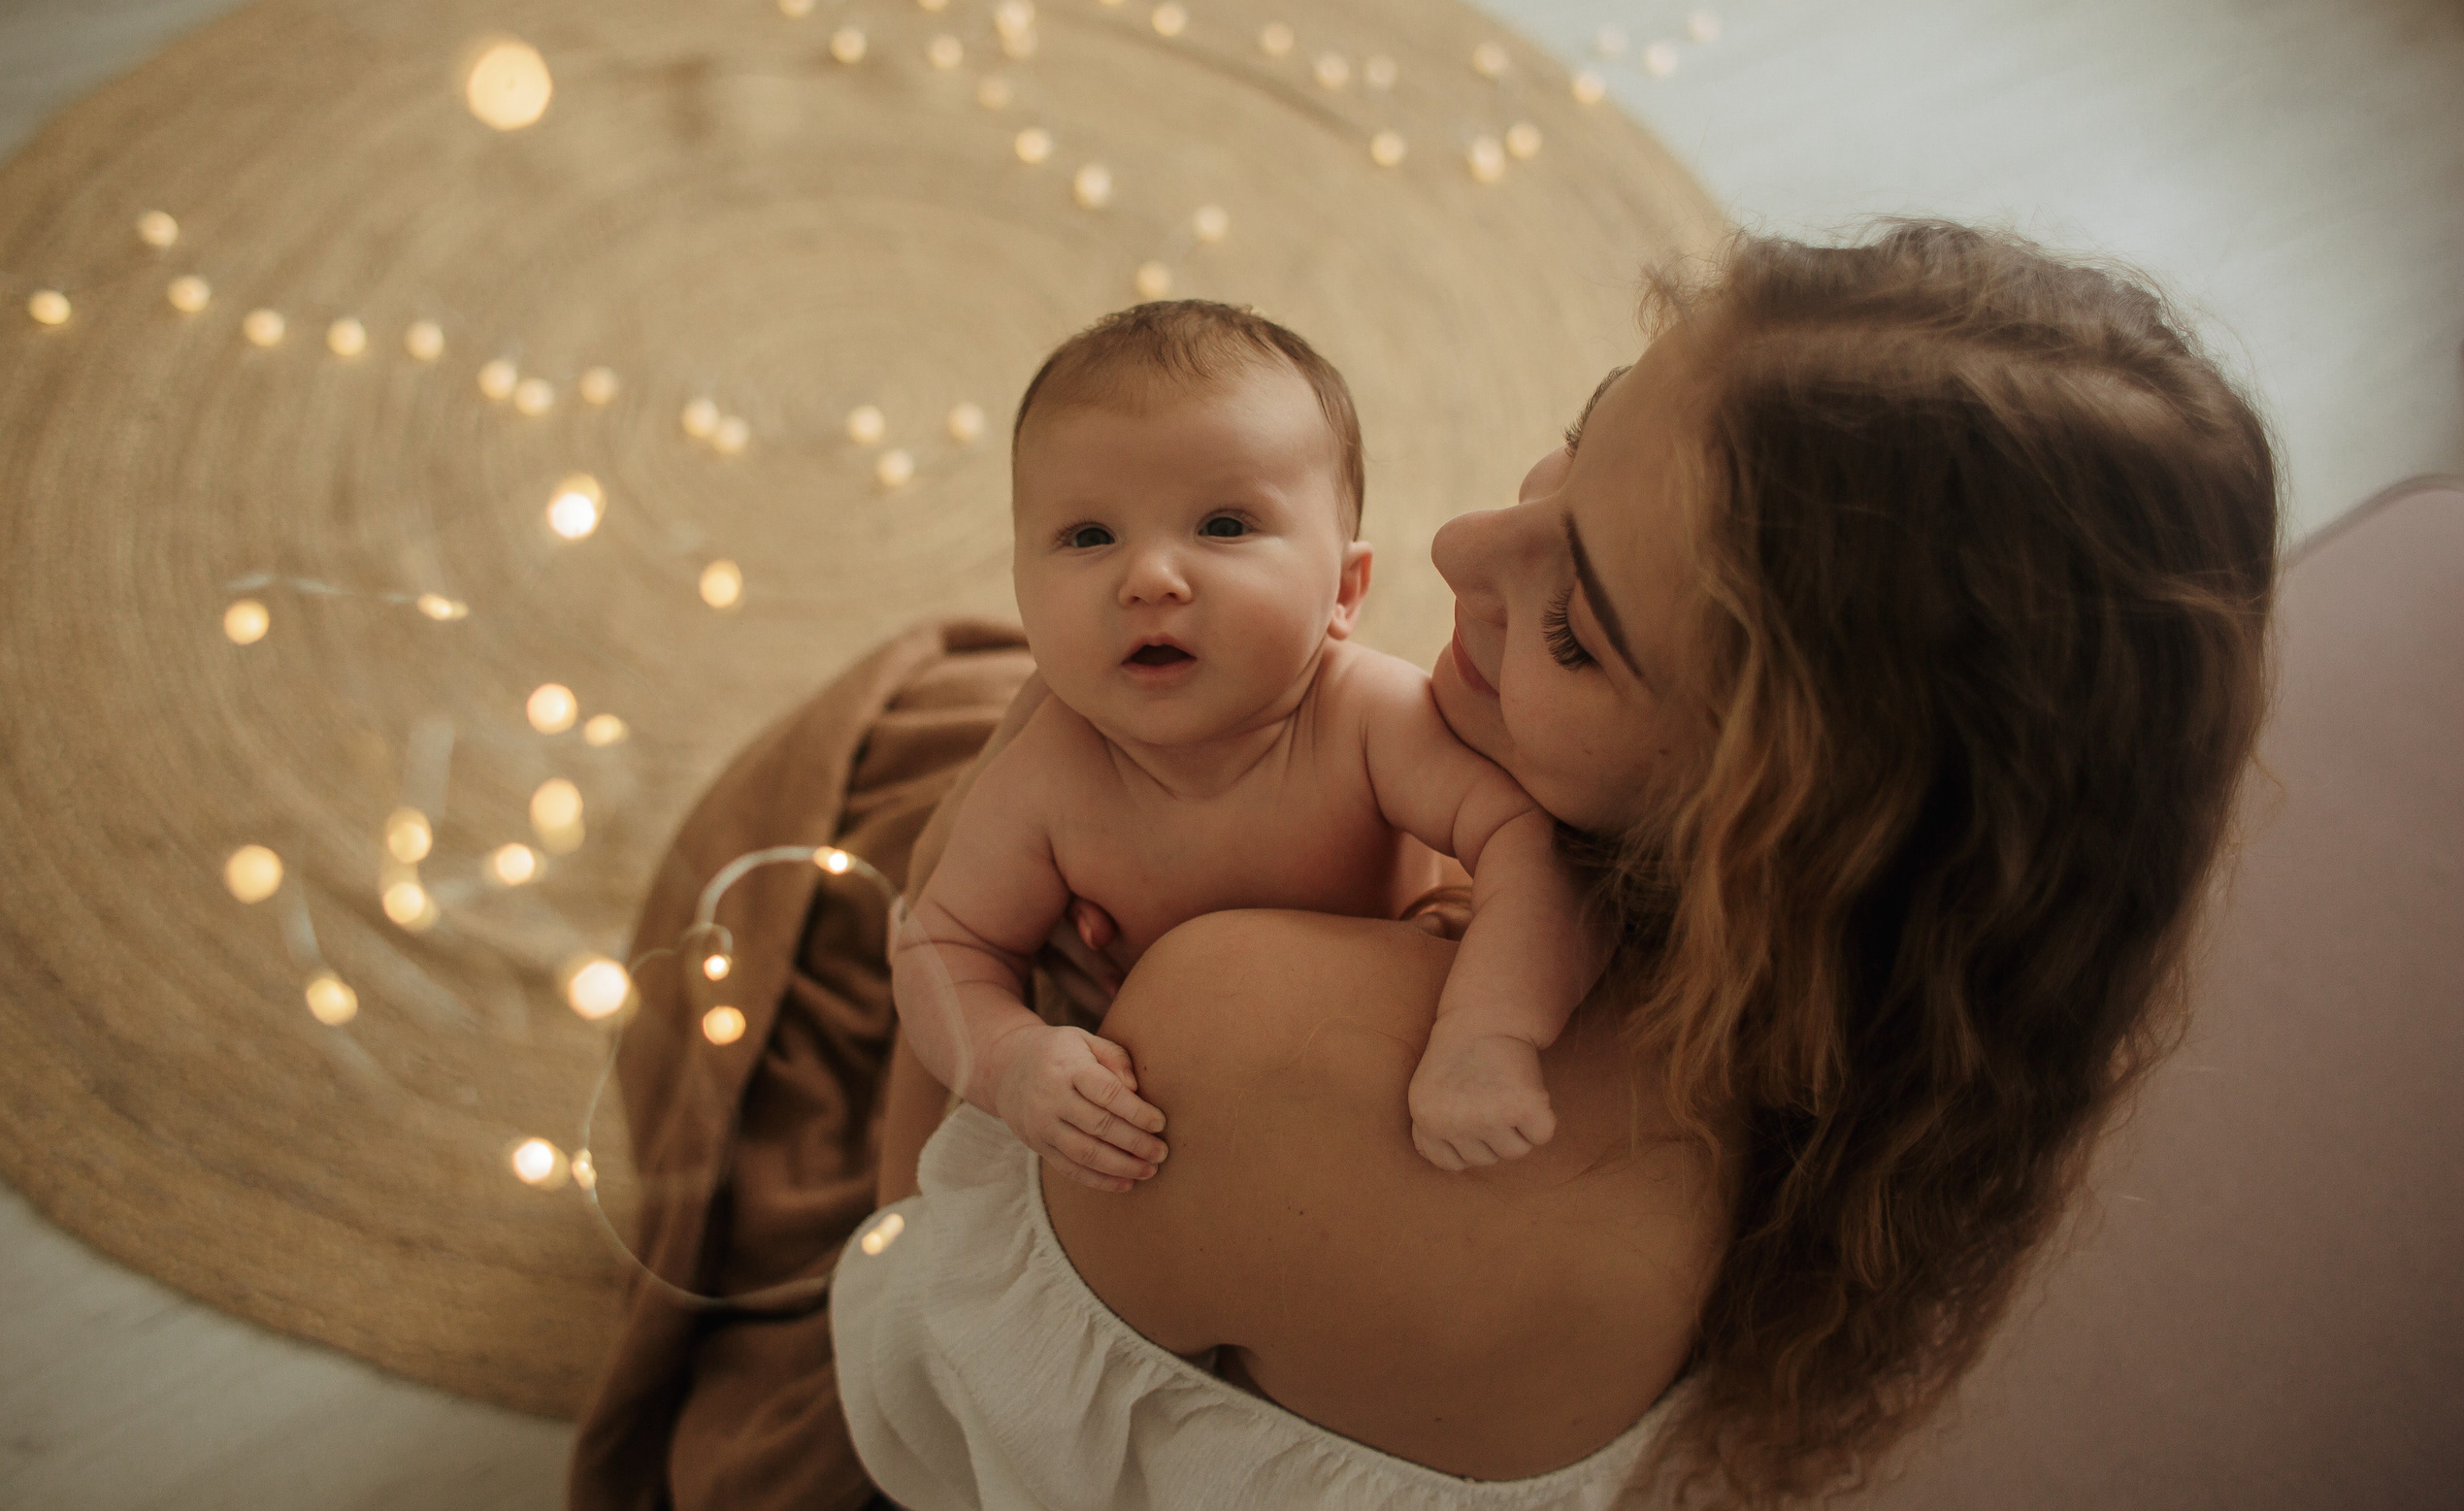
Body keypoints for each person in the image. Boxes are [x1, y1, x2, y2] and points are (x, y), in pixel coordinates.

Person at [838, 221, 2281, 1506]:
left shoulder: (1251, 1044)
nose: (1457, 547)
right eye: (1585, 439)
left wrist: (985, 995)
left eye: (1579, 628)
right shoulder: (1928, 1077)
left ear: (1767, 822)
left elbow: (924, 1385)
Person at [892, 301, 1601, 1193]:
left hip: (1378, 1065)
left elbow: (1527, 842)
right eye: (1088, 536)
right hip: (1165, 1117)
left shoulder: (1366, 715)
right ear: (1020, 587)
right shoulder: (1049, 772)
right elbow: (942, 949)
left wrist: (1488, 1033)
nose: (1149, 578)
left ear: (1344, 590)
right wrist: (1012, 1061)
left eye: (1224, 526)